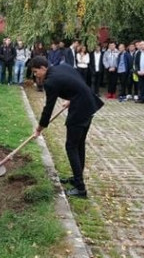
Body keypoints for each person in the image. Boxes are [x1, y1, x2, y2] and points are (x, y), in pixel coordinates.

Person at [29, 56, 104, 198]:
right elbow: (78, 81)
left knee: (71, 146)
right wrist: (73, 97)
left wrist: (39, 128)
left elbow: (48, 108)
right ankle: (77, 179)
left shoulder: (50, 82)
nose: (35, 75)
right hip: (88, 104)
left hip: (81, 110)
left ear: (43, 68)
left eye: (35, 71)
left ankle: (81, 189)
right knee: (79, 144)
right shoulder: (62, 66)